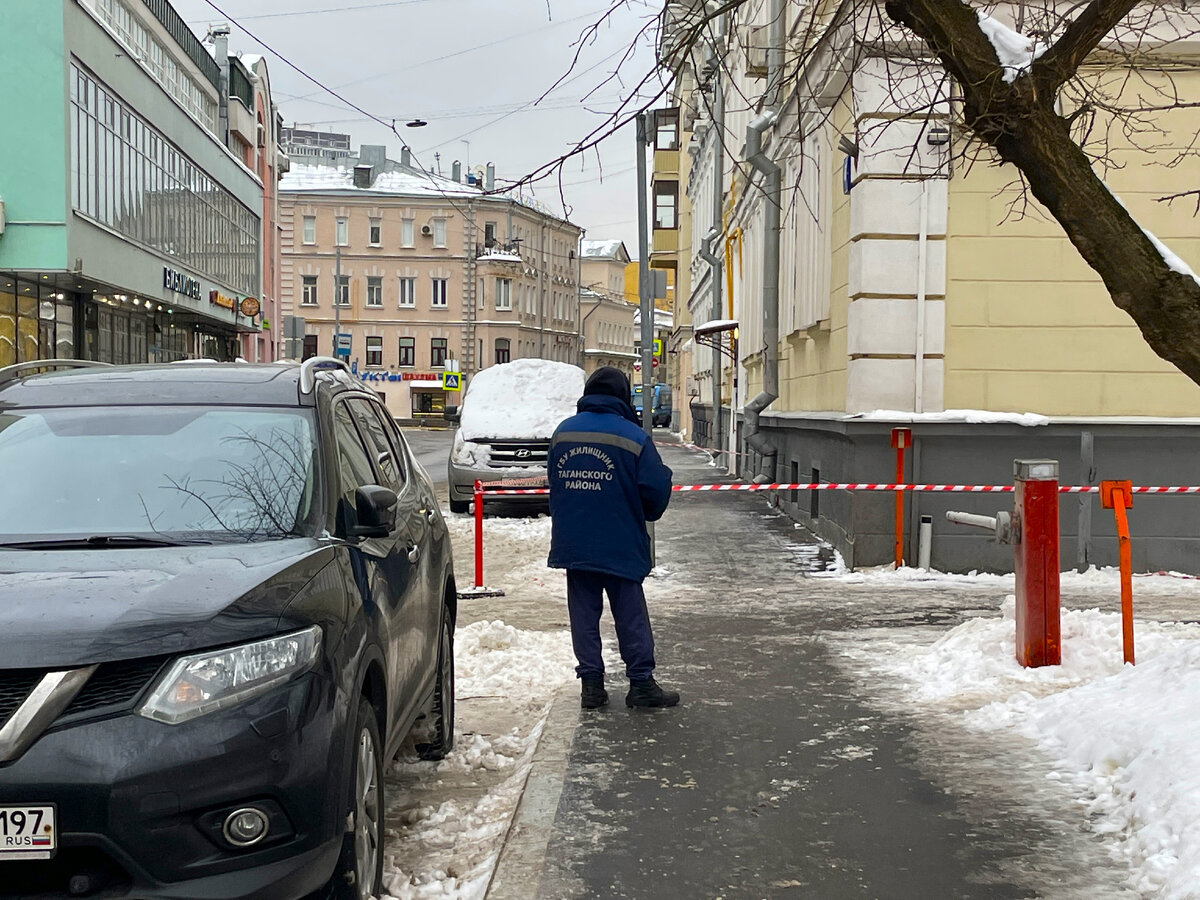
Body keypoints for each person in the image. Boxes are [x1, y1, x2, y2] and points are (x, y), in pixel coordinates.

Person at [547, 366, 679, 709]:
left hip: (574, 542)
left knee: (583, 614)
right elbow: (654, 494)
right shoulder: (633, 438)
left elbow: (555, 485)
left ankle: (591, 686)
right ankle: (640, 684)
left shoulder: (563, 433)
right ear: (622, 396)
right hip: (619, 541)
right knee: (629, 612)